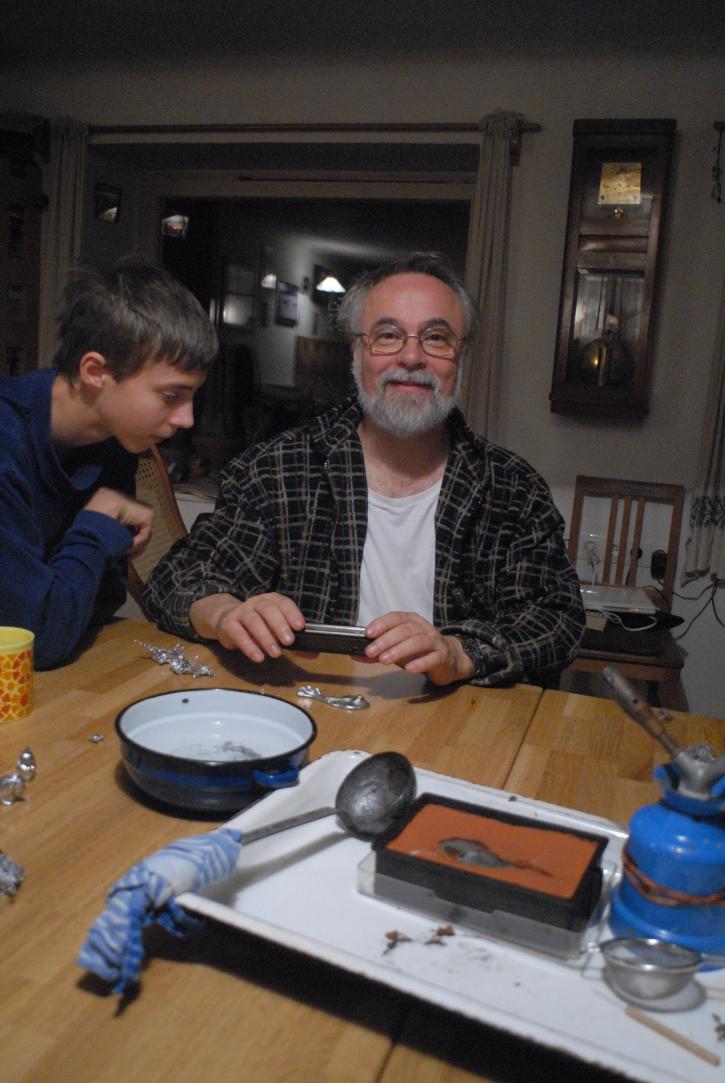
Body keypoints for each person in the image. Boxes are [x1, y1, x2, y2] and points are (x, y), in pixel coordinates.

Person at [142, 252, 583, 687]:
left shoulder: (512, 488)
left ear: (461, 357)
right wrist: (225, 614)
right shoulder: (278, 469)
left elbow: (557, 620)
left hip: (458, 718)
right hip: (312, 708)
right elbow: (177, 579)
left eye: (436, 338)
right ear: (356, 351)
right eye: (387, 335)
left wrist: (461, 652)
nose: (412, 357)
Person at [0, 256, 218, 669]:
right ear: (95, 371)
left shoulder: (114, 442)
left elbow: (100, 602)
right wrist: (98, 526)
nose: (187, 420)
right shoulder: (8, 446)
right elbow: (35, 641)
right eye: (171, 396)